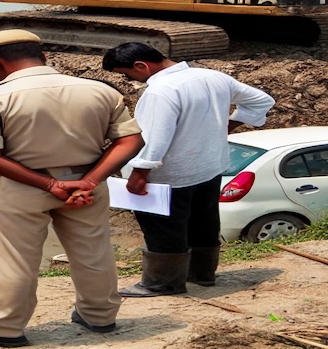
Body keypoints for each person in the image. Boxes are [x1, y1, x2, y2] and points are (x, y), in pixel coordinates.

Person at [0, 30, 144, 348]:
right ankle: (100, 316)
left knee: (15, 258)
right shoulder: (101, 90)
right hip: (87, 186)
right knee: (94, 251)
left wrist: (50, 184)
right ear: (44, 56)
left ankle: (4, 328)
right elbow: (130, 139)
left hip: (23, 188)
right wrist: (91, 180)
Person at [102, 42, 275, 297]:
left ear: (141, 65)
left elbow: (155, 137)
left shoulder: (161, 90)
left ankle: (162, 283)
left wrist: (140, 172)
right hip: (209, 167)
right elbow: (262, 100)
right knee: (203, 222)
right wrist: (230, 125)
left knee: (163, 227)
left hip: (170, 174)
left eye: (126, 74)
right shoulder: (213, 77)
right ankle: (202, 274)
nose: (128, 80)